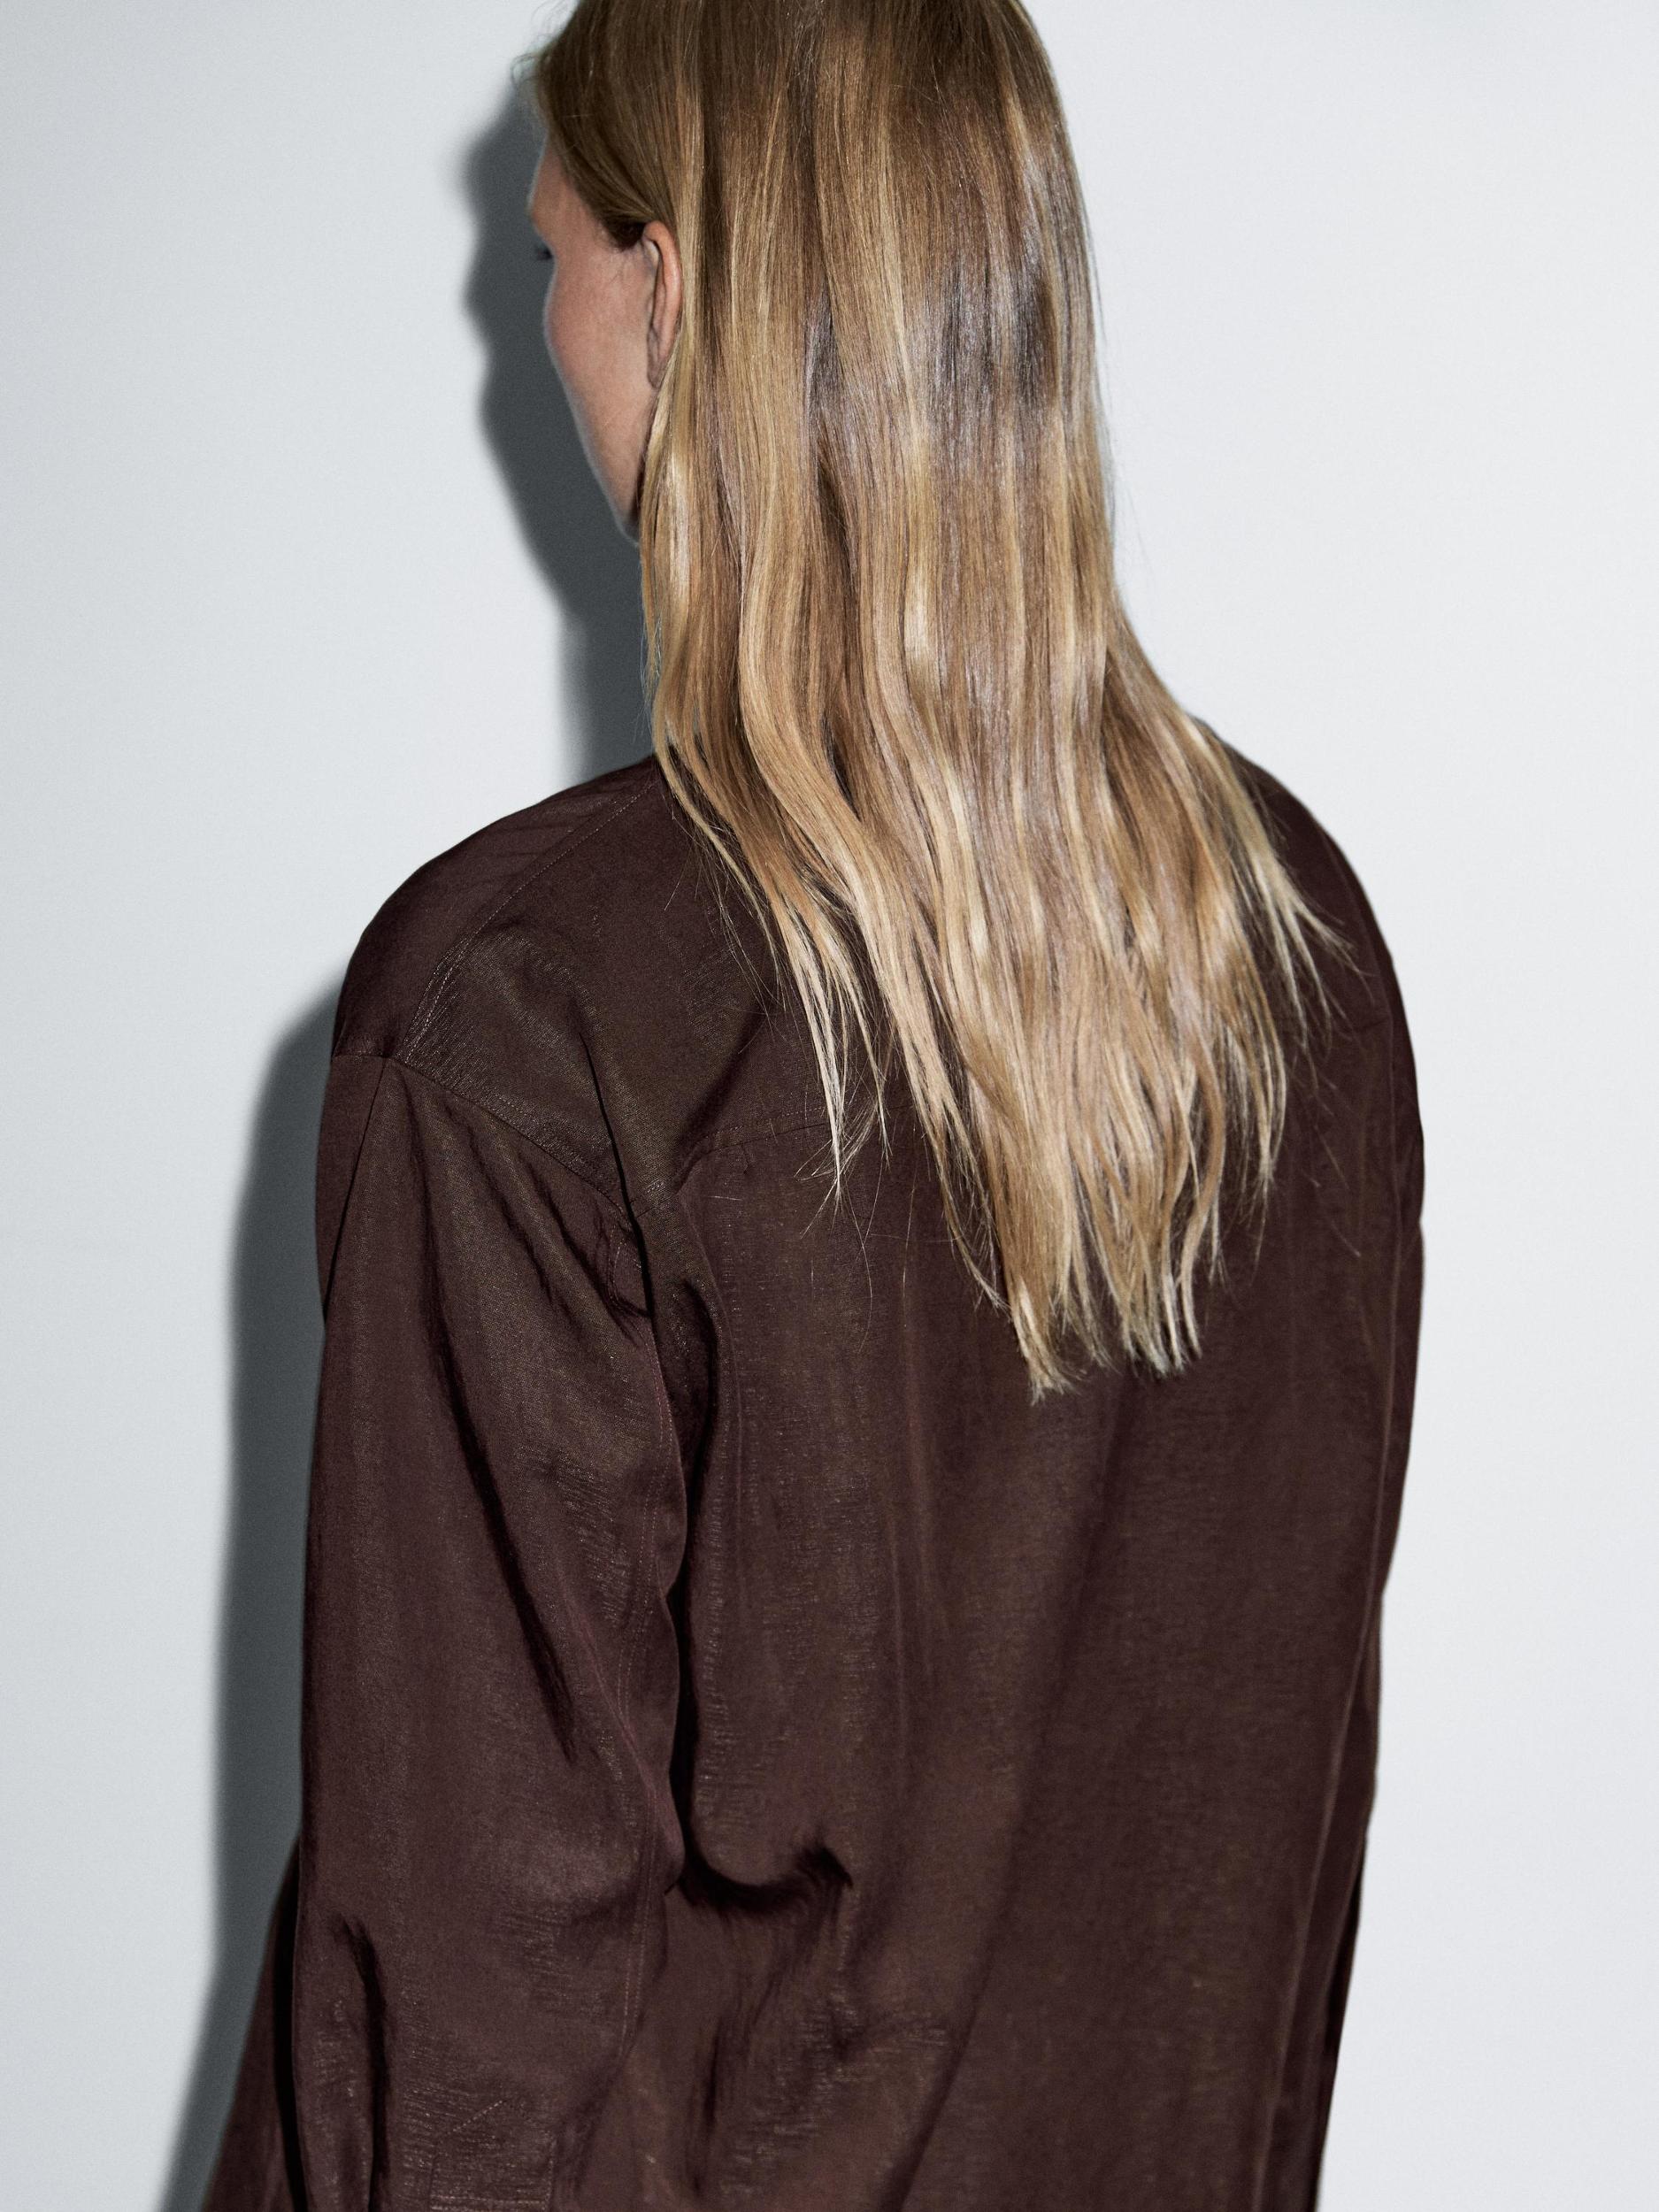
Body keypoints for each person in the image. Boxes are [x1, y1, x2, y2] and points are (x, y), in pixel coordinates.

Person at [203, 1, 1425, 2206]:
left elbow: (458, 2027)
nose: (529, 332)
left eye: (549, 257)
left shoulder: (529, 1006)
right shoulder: (1286, 951)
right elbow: (1258, 1878)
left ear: (672, 291)